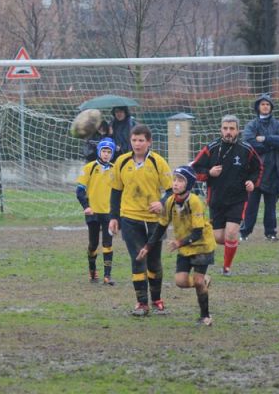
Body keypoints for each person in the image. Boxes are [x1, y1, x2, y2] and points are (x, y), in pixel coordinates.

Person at [136, 166, 216, 325]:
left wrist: (178, 242)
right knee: (180, 281)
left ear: (189, 184)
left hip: (202, 246)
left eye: (180, 180)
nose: (176, 184)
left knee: (198, 282)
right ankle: (204, 281)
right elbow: (160, 227)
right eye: (174, 180)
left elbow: (198, 232)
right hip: (185, 248)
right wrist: (147, 247)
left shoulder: (194, 202)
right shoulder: (170, 201)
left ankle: (205, 316)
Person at [108, 124, 173, 316]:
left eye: (141, 140)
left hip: (154, 220)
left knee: (154, 261)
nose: (137, 144)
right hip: (130, 217)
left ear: (149, 142)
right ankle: (142, 303)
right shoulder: (121, 162)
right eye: (134, 140)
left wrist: (162, 203)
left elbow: (171, 190)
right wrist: (114, 217)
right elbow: (115, 192)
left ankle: (157, 300)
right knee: (137, 259)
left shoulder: (158, 162)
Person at [192, 114, 263, 276]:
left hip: (238, 199)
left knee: (231, 232)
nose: (228, 132)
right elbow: (195, 170)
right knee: (218, 238)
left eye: (232, 129)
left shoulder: (246, 149)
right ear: (220, 130)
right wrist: (209, 173)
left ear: (238, 131)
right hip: (216, 199)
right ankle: (232, 243)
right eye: (225, 129)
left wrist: (253, 182)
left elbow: (258, 168)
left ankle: (226, 267)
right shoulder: (211, 148)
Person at [239, 93, 279, 242]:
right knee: (251, 206)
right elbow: (248, 142)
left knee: (270, 207)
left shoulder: (278, 125)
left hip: (273, 171)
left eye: (268, 104)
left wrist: (266, 138)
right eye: (262, 104)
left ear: (271, 107)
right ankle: (244, 232)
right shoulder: (251, 125)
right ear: (258, 107)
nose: (265, 106)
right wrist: (270, 146)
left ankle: (270, 233)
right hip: (254, 172)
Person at [76, 138, 116, 285]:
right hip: (93, 212)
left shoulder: (115, 169)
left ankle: (107, 276)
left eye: (109, 152)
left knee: (108, 243)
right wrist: (86, 206)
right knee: (93, 244)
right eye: (104, 151)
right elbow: (80, 190)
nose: (106, 154)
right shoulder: (90, 167)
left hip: (109, 213)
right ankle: (92, 271)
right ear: (99, 151)